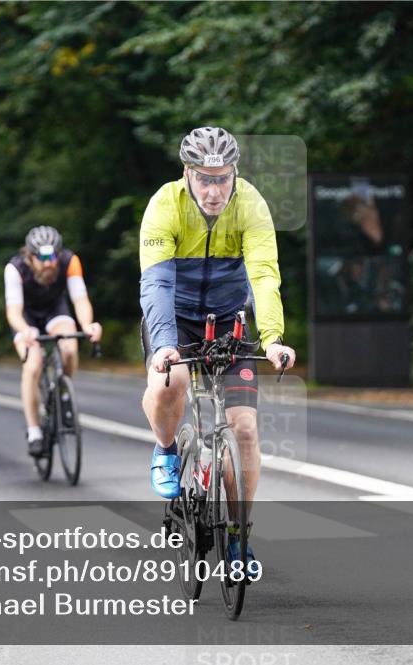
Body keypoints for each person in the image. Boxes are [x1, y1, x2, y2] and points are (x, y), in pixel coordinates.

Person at [139, 126, 296, 574]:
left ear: (234, 174)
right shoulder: (164, 205)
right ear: (186, 173)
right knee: (172, 380)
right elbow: (156, 284)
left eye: (222, 178)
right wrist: (165, 345)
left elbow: (264, 274)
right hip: (177, 314)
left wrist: (273, 339)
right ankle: (167, 447)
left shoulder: (251, 204)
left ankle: (238, 537)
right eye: (204, 179)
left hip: (230, 318)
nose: (213, 190)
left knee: (243, 428)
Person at [5, 225, 102, 456]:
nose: (49, 263)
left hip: (54, 310)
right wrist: (25, 330)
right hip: (25, 316)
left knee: (69, 346)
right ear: (30, 257)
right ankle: (34, 431)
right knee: (33, 364)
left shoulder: (70, 261)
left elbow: (80, 300)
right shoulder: (15, 268)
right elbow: (13, 312)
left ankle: (63, 393)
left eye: (53, 256)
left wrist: (88, 325)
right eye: (42, 257)